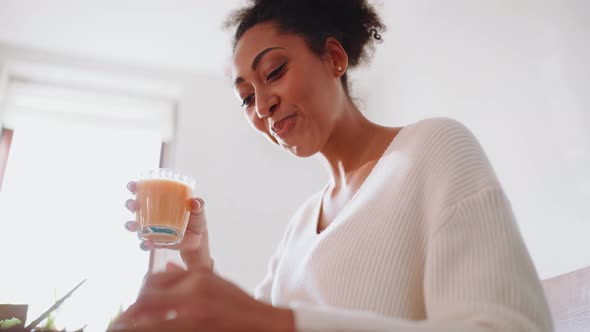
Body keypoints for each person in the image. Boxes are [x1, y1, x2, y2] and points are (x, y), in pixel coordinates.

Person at [112, 0, 554, 331]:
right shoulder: (302, 222)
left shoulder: (433, 149)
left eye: (275, 71)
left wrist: (284, 324)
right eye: (246, 97)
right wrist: (198, 261)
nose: (262, 106)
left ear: (334, 58)